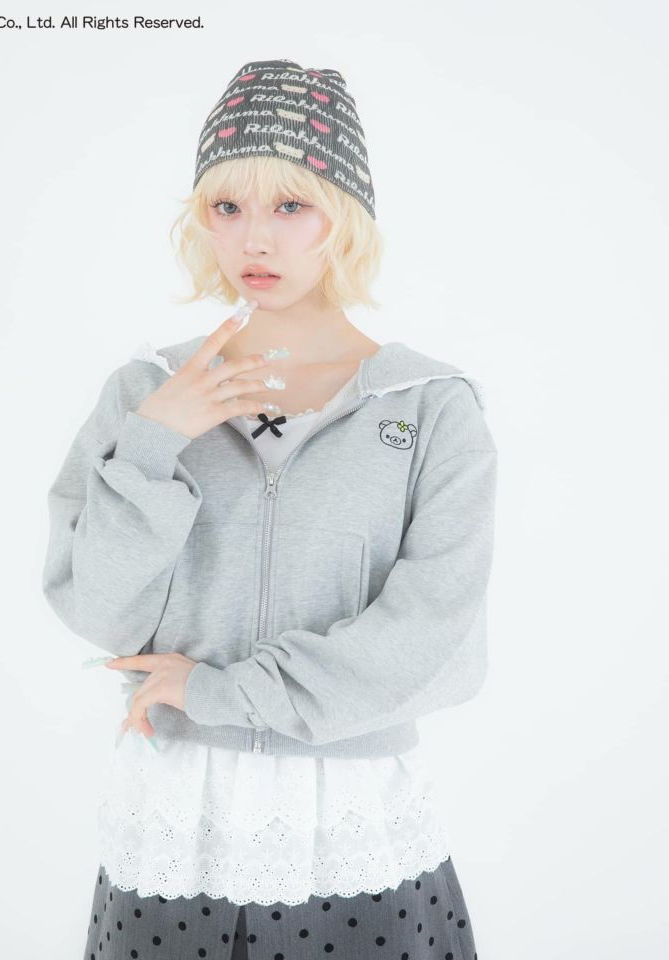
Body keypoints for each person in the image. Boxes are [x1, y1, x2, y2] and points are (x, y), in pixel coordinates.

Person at [42, 58, 496, 960]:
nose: (255, 239)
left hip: (353, 820)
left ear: (345, 215)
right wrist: (152, 444)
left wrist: (225, 692)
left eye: (291, 205)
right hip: (176, 822)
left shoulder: (431, 407)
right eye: (227, 207)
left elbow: (436, 639)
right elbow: (96, 609)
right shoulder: (144, 392)